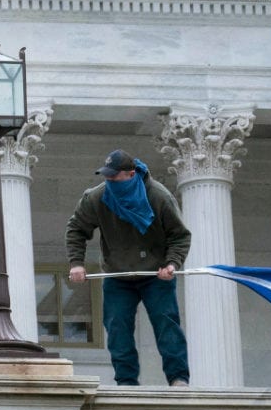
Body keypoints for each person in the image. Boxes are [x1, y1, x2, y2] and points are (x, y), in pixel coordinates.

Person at [66, 148, 194, 387]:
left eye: (114, 176)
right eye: (106, 176)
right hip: (119, 275)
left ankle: (178, 378)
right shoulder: (97, 197)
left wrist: (172, 263)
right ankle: (126, 382)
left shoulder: (158, 196)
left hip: (155, 274)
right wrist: (76, 263)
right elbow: (76, 229)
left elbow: (180, 235)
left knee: (166, 323)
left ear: (131, 174)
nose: (109, 181)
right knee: (116, 326)